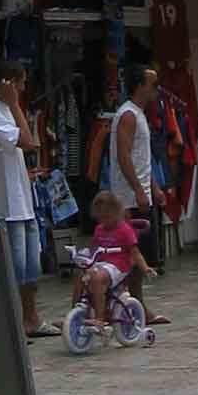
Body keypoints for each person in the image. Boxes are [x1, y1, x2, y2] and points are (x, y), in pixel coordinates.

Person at [0, 61, 58, 339]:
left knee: (32, 267)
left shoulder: (5, 109)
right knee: (16, 270)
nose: (22, 89)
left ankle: (31, 318)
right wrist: (16, 105)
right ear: (8, 83)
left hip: (23, 198)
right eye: (19, 83)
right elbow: (30, 142)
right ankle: (16, 324)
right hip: (9, 205)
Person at [110, 66, 167, 316]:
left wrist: (153, 187)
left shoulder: (139, 115)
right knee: (132, 252)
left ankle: (136, 303)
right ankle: (134, 303)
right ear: (140, 86)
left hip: (140, 193)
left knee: (140, 252)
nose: (156, 90)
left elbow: (142, 158)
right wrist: (138, 190)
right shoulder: (128, 116)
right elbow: (124, 157)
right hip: (128, 198)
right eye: (153, 85)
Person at [79, 189, 152, 330]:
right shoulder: (99, 229)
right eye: (100, 217)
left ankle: (100, 318)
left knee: (98, 278)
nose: (104, 220)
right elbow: (93, 248)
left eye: (107, 215)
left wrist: (145, 267)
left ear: (116, 212)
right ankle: (77, 313)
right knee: (80, 276)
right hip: (102, 264)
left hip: (118, 265)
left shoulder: (125, 230)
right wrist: (85, 258)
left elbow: (135, 252)